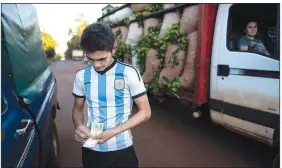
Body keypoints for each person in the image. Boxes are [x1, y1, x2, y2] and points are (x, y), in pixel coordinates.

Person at [72, 23, 151, 168]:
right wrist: (79, 126)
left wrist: (113, 132)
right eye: (91, 59)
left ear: (114, 48)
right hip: (91, 149)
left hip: (122, 150)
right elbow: (77, 109)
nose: (96, 65)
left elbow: (145, 112)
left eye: (102, 59)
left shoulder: (129, 73)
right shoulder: (81, 76)